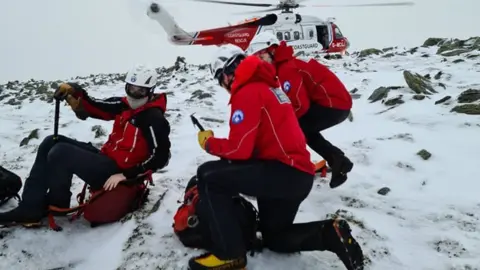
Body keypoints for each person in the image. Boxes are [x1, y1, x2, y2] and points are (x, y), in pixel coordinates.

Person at [188, 44, 364, 270]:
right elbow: (253, 144)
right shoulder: (270, 87)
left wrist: (209, 142)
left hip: (281, 171)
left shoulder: (247, 91)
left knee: (209, 176)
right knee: (275, 237)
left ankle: (230, 254)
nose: (222, 85)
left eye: (219, 79)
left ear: (226, 74)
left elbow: (239, 149)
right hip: (295, 175)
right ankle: (330, 233)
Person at [0, 65, 171, 225]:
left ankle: (57, 203)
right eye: (131, 88)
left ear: (150, 91)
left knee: (61, 152)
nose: (134, 94)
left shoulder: (153, 118)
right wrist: (76, 91)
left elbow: (161, 157)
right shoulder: (124, 105)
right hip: (106, 160)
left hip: (119, 172)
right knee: (51, 141)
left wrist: (126, 175)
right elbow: (97, 106)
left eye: (140, 91)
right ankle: (31, 206)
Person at [246, 32, 354, 189]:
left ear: (272, 50)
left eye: (261, 57)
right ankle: (338, 161)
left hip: (334, 105)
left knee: (294, 131)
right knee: (304, 131)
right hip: (336, 104)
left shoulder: (287, 68)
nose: (261, 62)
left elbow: (298, 105)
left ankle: (291, 169)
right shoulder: (286, 64)